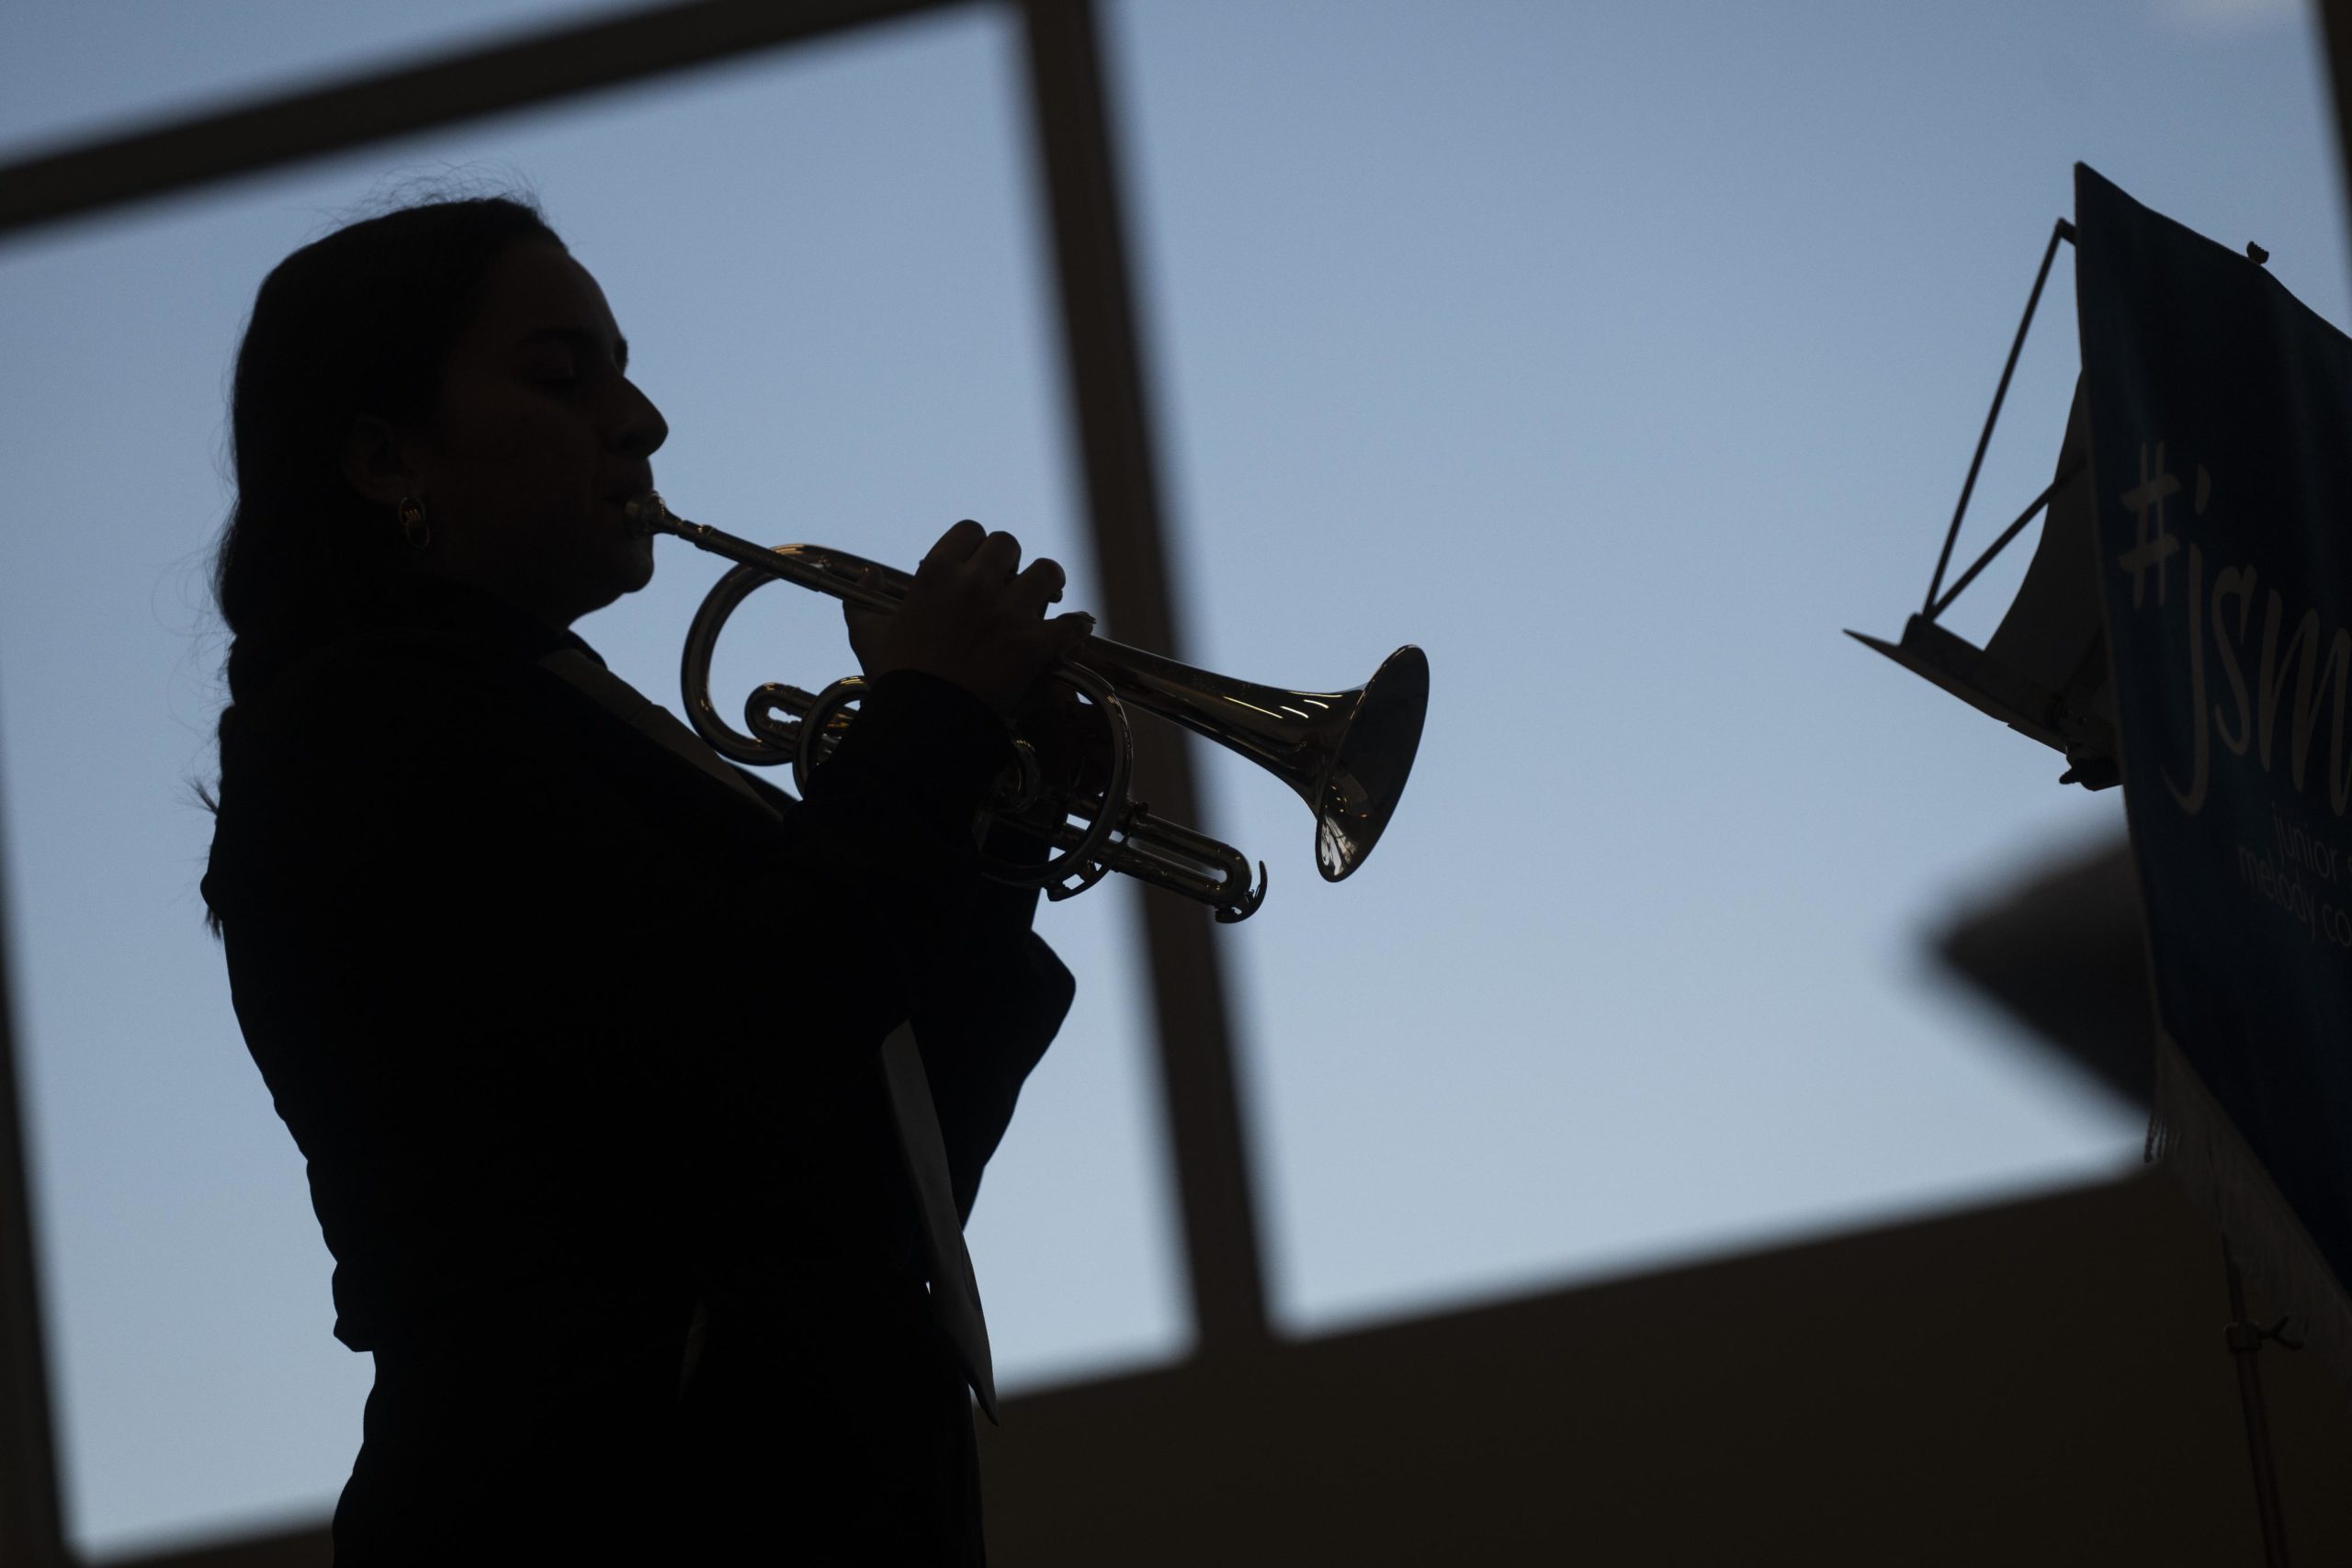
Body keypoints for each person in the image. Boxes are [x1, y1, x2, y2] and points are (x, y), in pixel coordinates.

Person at [197, 193, 1090, 1563]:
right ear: (384, 458)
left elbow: (878, 1168)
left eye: (622, 365)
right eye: (565, 377)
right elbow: (722, 1060)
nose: (641, 418)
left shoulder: (567, 718)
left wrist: (994, 809)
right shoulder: (364, 736)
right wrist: (922, 736)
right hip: (614, 1501)